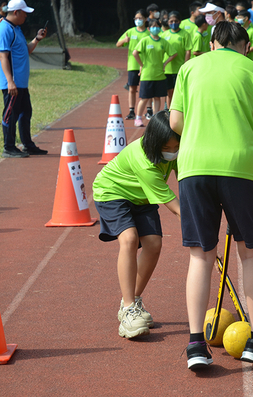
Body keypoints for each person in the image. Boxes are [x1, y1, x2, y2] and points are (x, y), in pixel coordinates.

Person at [169, 21, 253, 370]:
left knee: (201, 256)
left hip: (194, 168)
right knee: (250, 253)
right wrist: (246, 161)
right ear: (245, 46)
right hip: (241, 168)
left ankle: (194, 345)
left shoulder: (189, 68)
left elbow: (175, 122)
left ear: (212, 43)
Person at [92, 110, 181, 339]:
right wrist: (196, 219)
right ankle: (130, 307)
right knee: (129, 239)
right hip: (112, 191)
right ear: (154, 143)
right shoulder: (144, 161)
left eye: (176, 148)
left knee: (153, 244)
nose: (172, 153)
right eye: (167, 149)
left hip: (141, 195)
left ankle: (130, 303)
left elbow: (185, 178)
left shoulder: (176, 151)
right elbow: (173, 205)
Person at [0, 0, 48, 158]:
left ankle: (28, 145)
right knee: (10, 114)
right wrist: (10, 81)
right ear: (16, 12)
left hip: (21, 83)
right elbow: (3, 57)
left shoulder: (16, 29)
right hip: (13, 83)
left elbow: (25, 51)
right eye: (24, 13)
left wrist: (37, 39)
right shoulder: (4, 29)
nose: (26, 16)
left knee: (26, 112)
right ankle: (8, 147)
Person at [132, 19, 177, 127]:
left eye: (157, 26)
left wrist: (164, 63)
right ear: (149, 29)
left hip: (159, 75)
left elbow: (173, 53)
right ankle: (138, 118)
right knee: (145, 98)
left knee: (157, 97)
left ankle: (155, 118)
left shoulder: (163, 42)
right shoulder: (145, 40)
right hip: (147, 75)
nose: (155, 28)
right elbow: (135, 53)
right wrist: (142, 65)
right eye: (153, 26)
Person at [116, 9, 149, 121]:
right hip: (133, 65)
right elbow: (118, 44)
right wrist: (125, 40)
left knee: (147, 88)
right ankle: (131, 111)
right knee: (132, 88)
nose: (138, 20)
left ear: (145, 19)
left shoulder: (148, 33)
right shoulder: (130, 32)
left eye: (140, 18)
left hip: (146, 65)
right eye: (136, 18)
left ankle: (149, 110)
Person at [161, 11, 191, 106]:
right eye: (171, 21)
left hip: (179, 67)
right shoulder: (164, 35)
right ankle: (169, 111)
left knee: (178, 91)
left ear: (180, 21)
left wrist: (185, 64)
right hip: (167, 69)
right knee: (169, 92)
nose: (173, 23)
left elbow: (188, 51)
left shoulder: (185, 34)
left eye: (176, 21)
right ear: (168, 22)